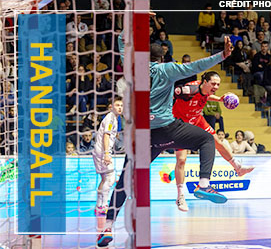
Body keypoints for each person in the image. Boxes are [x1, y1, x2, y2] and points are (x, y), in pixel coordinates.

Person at [97, 36, 234, 247]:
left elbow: (122, 44)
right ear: (161, 57)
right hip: (167, 130)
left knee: (125, 181)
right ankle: (204, 185)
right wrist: (223, 55)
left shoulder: (132, 67)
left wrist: (129, 23)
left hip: (141, 137)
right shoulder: (167, 69)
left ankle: (107, 226)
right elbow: (197, 66)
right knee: (207, 139)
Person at [172, 72, 254, 212]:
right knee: (181, 160)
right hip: (180, 122)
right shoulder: (190, 89)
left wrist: (220, 99)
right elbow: (176, 94)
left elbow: (205, 96)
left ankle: (238, 168)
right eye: (213, 83)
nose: (216, 86)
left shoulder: (205, 90)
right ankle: (180, 196)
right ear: (204, 81)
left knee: (218, 143)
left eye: (218, 84)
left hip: (197, 119)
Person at [93, 97, 123, 216]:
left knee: (105, 179)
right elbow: (106, 135)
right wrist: (106, 153)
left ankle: (98, 206)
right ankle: (104, 205)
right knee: (110, 178)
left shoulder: (115, 118)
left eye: (121, 105)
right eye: (117, 105)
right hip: (102, 152)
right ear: (111, 107)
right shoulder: (111, 118)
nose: (120, 107)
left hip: (101, 150)